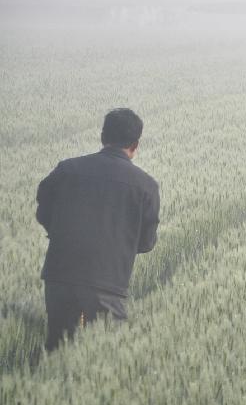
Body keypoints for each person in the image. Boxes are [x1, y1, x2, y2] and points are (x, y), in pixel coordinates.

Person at [36, 108, 160, 351]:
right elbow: (146, 242)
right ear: (135, 145)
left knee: (58, 350)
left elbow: (43, 210)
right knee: (107, 354)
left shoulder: (67, 169)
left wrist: (61, 233)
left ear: (103, 137)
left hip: (60, 275)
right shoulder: (146, 186)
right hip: (107, 282)